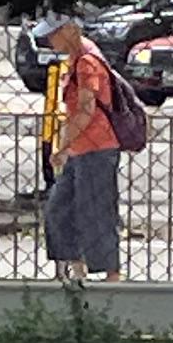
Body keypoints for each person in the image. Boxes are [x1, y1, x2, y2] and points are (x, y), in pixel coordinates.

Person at [41, 14, 133, 281]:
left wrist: (62, 146)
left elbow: (85, 109)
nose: (50, 39)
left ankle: (111, 275)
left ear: (71, 30)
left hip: (97, 146)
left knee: (96, 211)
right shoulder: (76, 58)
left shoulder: (87, 62)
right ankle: (76, 267)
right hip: (80, 148)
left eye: (54, 33)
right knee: (59, 208)